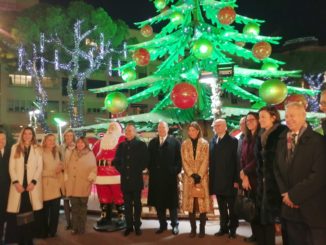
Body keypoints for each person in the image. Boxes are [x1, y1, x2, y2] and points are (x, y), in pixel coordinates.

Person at [274, 102, 326, 245]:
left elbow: (319, 175)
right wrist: (285, 193)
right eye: (287, 116)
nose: (289, 119)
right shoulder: (282, 140)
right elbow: (276, 168)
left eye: (293, 116)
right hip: (288, 209)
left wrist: (294, 195)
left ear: (304, 116)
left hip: (311, 209)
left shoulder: (318, 141)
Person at [255, 106, 287, 245]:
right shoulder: (261, 134)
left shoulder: (282, 133)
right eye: (259, 117)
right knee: (265, 218)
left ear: (273, 117)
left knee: (282, 222)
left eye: (263, 116)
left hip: (278, 184)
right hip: (264, 183)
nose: (260, 120)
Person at [7, 126, 43, 245]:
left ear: (33, 136)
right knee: (19, 212)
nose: (27, 136)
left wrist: (33, 182)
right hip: (18, 187)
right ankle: (20, 238)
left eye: (30, 134)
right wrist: (16, 183)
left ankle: (28, 239)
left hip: (31, 187)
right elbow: (11, 167)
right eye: (25, 133)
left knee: (30, 212)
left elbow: (40, 167)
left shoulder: (37, 148)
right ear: (22, 135)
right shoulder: (15, 148)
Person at [113, 124, 148, 236]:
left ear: (135, 132)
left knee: (137, 205)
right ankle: (129, 226)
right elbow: (116, 161)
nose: (127, 132)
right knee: (127, 205)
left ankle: (137, 225)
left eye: (130, 130)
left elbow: (145, 161)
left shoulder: (141, 145)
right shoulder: (121, 146)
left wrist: (136, 169)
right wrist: (122, 170)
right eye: (126, 130)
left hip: (136, 179)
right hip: (125, 180)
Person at [147, 121, 182, 235]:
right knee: (158, 203)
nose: (161, 130)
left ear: (167, 129)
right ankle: (162, 225)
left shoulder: (175, 142)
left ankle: (175, 225)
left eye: (163, 127)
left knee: (172, 204)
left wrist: (174, 171)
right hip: (156, 179)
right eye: (159, 128)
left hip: (170, 178)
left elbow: (179, 160)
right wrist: (151, 170)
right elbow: (148, 160)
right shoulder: (152, 143)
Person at [209, 119, 239, 239]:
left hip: (230, 180)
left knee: (232, 208)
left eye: (219, 125)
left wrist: (236, 180)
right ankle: (223, 228)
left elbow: (237, 162)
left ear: (226, 127)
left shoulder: (233, 141)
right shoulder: (213, 141)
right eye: (215, 125)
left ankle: (232, 229)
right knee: (221, 208)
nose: (217, 127)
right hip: (217, 180)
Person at [92, 122, 125, 228]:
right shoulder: (99, 143)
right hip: (101, 176)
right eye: (110, 127)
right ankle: (105, 216)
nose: (111, 129)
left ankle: (122, 217)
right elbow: (92, 157)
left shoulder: (122, 140)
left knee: (119, 197)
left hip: (117, 176)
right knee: (104, 197)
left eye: (113, 127)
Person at [181, 122, 211, 238]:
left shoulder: (205, 144)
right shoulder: (184, 144)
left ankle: (202, 229)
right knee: (191, 206)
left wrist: (199, 174)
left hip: (202, 179)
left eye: (194, 130)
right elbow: (184, 161)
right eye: (190, 130)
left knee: (202, 206)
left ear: (198, 131)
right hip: (189, 179)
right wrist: (191, 174)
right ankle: (193, 229)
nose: (191, 132)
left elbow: (206, 160)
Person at [65, 137, 97, 234]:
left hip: (84, 184)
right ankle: (75, 228)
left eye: (82, 143)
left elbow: (94, 168)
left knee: (83, 208)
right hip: (73, 185)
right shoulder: (71, 153)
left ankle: (81, 228)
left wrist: (90, 177)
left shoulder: (90, 154)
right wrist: (66, 179)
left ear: (85, 144)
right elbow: (66, 166)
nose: (80, 144)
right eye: (78, 142)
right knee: (74, 208)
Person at [240, 112, 260, 243]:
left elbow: (257, 158)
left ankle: (260, 236)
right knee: (251, 207)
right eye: (247, 121)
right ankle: (255, 234)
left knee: (258, 208)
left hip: (257, 177)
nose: (249, 122)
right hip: (247, 178)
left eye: (252, 120)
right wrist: (244, 176)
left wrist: (244, 171)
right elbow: (242, 157)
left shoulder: (260, 136)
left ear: (257, 121)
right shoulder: (246, 137)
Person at [41, 134, 64, 237]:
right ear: (45, 141)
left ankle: (53, 231)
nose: (52, 142)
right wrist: (54, 172)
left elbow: (60, 166)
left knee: (55, 212)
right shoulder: (40, 152)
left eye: (53, 140)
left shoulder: (57, 152)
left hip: (56, 186)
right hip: (46, 186)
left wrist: (61, 166)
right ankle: (44, 231)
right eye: (49, 140)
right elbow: (39, 171)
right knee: (45, 212)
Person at [60, 129, 76, 230]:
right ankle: (68, 222)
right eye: (67, 136)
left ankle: (74, 222)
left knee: (74, 201)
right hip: (64, 177)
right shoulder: (61, 148)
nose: (68, 137)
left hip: (74, 178)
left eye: (70, 136)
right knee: (65, 201)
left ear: (73, 137)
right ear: (64, 137)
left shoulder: (77, 147)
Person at [0, 130, 10, 244]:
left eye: (3, 139)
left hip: (7, 189)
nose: (1, 141)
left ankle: (5, 236)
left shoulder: (10, 152)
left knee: (5, 213)